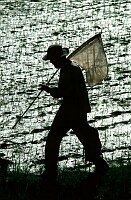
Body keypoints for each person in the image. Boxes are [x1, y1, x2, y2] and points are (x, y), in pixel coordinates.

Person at [40, 44, 109, 183]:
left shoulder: (69, 70)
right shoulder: (69, 68)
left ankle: (50, 173)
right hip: (76, 109)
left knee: (53, 139)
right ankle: (100, 164)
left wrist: (49, 90)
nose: (51, 62)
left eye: (52, 60)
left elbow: (63, 92)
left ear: (58, 58)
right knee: (84, 136)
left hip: (70, 110)